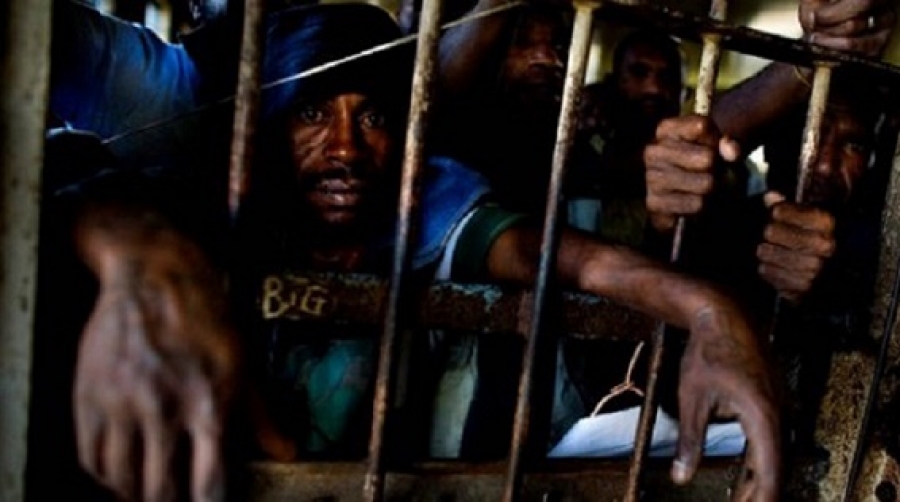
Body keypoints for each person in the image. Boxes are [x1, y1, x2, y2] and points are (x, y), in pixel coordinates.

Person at [57, 3, 785, 500]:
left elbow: (569, 258)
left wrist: (709, 310)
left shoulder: (422, 198)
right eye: (312, 112)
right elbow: (64, 173)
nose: (346, 148)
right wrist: (135, 257)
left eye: (373, 117)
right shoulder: (198, 204)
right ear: (263, 128)